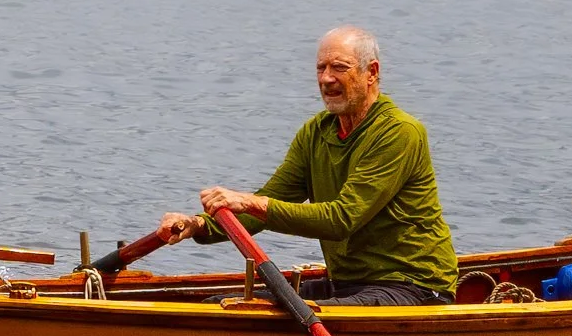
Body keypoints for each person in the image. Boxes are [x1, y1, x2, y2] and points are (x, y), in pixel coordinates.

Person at [155, 27, 459, 305]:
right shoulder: (315, 132)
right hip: (344, 283)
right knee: (216, 306)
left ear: (371, 73)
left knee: (267, 314)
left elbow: (341, 220)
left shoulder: (399, 132)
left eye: (339, 67)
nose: (326, 78)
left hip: (411, 286)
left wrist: (251, 201)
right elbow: (262, 208)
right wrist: (198, 225)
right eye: (321, 68)